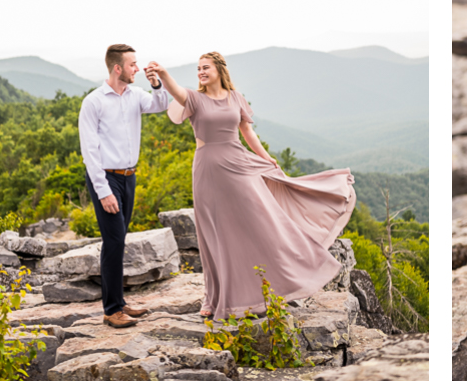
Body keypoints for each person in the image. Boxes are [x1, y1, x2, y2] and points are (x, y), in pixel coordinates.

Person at [144, 52, 356, 319]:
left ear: (219, 70)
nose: (201, 72)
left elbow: (247, 132)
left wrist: (266, 158)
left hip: (238, 164)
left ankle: (281, 279)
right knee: (213, 233)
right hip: (208, 170)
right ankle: (213, 298)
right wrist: (163, 75)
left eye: (205, 67)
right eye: (198, 68)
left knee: (259, 221)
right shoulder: (194, 99)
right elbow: (176, 92)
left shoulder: (235, 98)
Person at [78, 43, 170, 328]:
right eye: (132, 64)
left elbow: (161, 104)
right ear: (117, 68)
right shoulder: (93, 102)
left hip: (130, 177)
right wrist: (103, 190)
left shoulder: (135, 95)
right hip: (106, 178)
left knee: (117, 240)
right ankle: (111, 310)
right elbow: (89, 150)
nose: (137, 69)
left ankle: (118, 302)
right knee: (115, 240)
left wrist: (156, 83)